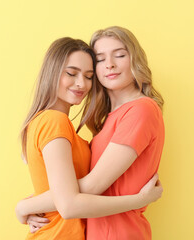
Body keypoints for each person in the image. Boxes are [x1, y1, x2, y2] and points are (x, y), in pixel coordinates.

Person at [17, 35, 163, 240]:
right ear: (52, 73)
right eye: (71, 73)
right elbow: (69, 201)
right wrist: (139, 200)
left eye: (88, 76)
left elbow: (66, 190)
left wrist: (27, 205)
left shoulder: (62, 124)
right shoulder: (54, 121)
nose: (81, 84)